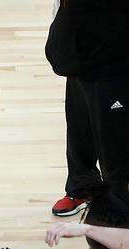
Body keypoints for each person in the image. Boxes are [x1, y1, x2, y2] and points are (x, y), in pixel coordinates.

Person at [45, 0, 129, 209]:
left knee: (113, 142)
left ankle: (117, 209)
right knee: (79, 129)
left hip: (111, 59)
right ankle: (82, 187)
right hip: (78, 57)